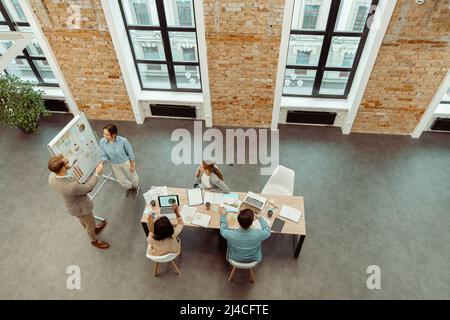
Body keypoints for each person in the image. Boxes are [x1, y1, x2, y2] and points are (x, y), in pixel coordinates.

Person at [48, 155, 110, 249]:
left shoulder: (52, 176)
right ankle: (94, 240)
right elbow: (88, 188)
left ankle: (92, 229)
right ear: (63, 168)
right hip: (81, 208)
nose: (70, 162)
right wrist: (97, 173)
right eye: (67, 162)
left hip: (72, 206)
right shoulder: (71, 186)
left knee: (83, 220)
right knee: (90, 224)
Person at [100, 124, 139, 199]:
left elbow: (130, 153)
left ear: (114, 134)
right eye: (104, 134)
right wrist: (102, 162)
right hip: (114, 164)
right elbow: (103, 154)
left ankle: (136, 187)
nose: (105, 136)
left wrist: (132, 165)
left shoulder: (123, 141)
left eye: (107, 135)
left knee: (132, 176)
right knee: (121, 180)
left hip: (125, 162)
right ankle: (130, 187)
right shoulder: (102, 142)